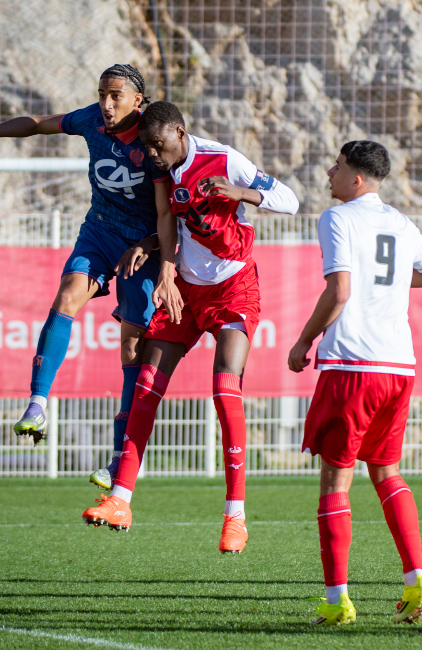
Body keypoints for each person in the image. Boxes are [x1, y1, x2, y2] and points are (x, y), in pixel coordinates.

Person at [81, 101, 299, 554]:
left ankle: (235, 517)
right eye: (147, 148)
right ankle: (120, 499)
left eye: (158, 146)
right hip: (184, 287)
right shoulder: (161, 168)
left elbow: (290, 201)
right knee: (145, 384)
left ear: (180, 132)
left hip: (233, 287)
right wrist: (159, 261)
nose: (153, 156)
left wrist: (243, 194)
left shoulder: (224, 160)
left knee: (224, 390)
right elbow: (167, 219)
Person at [0, 64, 165, 491]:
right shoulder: (90, 119)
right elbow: (36, 125)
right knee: (66, 297)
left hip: (144, 245)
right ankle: (36, 404)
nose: (106, 104)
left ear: (137, 102)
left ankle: (121, 457)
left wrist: (151, 247)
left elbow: (170, 212)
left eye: (115, 96)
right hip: (100, 231)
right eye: (102, 94)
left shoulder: (154, 138)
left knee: (131, 345)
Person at [287, 141, 422, 626]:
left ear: (357, 178)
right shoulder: (399, 221)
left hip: (353, 366)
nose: (328, 174)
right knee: (386, 472)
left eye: (336, 167)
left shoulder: (338, 219)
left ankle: (337, 601)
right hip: (399, 367)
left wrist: (303, 342)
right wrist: (395, 282)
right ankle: (417, 582)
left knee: (336, 481)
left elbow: (339, 291)